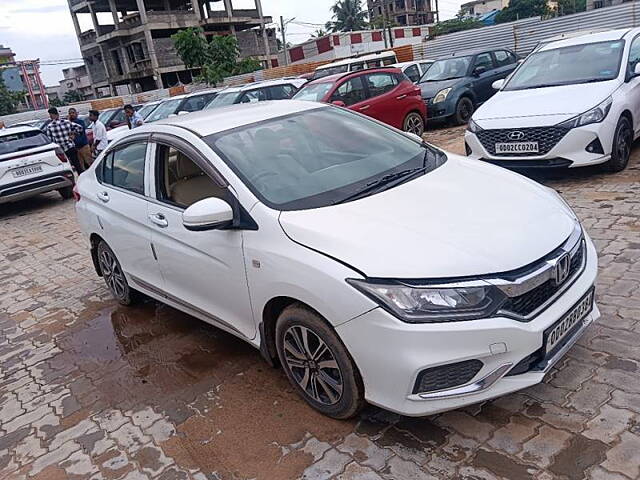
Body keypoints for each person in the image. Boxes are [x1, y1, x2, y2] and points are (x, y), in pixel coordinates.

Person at [44, 107, 84, 174]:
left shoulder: (50, 126)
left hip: (61, 150)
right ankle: (81, 178)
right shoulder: (67, 122)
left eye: (50, 115)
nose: (50, 116)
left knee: (66, 166)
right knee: (77, 165)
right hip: (70, 146)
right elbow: (80, 128)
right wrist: (74, 135)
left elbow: (50, 140)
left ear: (52, 115)